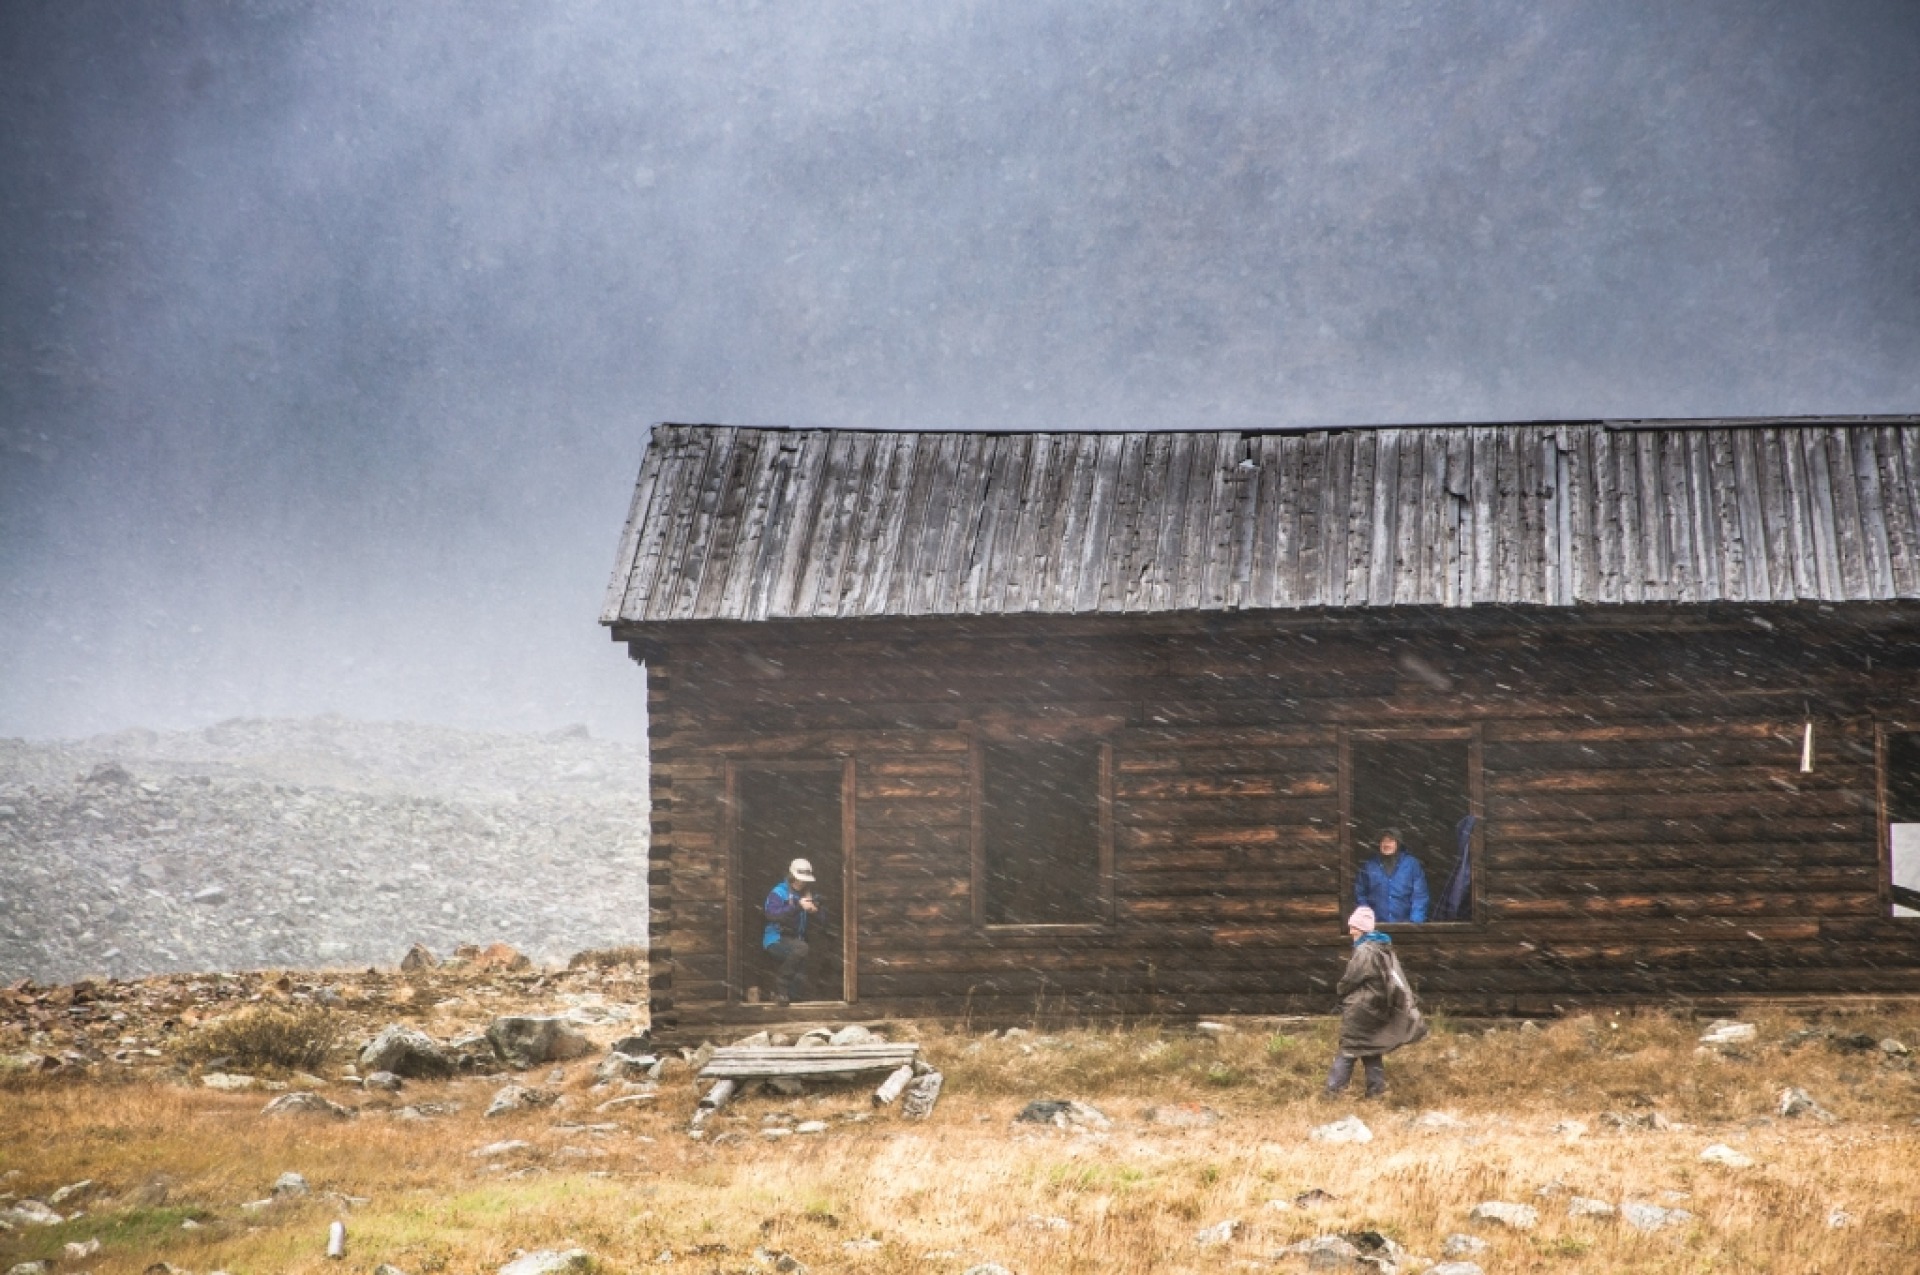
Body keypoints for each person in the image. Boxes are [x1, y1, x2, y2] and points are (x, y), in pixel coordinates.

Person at [1324, 906, 1427, 1098]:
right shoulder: (1383, 948)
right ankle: (1376, 1091)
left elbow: (1351, 979)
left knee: (1348, 1049)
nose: (1350, 931)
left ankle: (1333, 1092)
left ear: (1360, 929)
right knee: (1371, 1049)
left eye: (1353, 927)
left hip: (1360, 1008)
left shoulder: (1364, 951)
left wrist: (1340, 991)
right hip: (1376, 1007)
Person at [763, 858, 821, 1006]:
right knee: (802, 948)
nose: (801, 883)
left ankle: (785, 997)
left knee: (803, 970)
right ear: (791, 875)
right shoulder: (778, 892)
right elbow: (771, 915)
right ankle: (780, 984)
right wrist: (797, 907)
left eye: (804, 880)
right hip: (776, 939)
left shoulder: (808, 895)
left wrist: (816, 911)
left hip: (796, 941)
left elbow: (823, 920)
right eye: (799, 879)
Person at [1354, 829, 1429, 924]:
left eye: (1390, 841)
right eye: (1383, 841)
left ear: (1398, 843)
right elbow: (1360, 894)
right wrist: (1366, 919)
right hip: (1376, 927)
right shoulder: (1369, 866)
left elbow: (1420, 896)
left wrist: (1415, 922)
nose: (1386, 844)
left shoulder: (1411, 865)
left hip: (1405, 927)